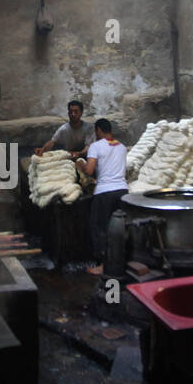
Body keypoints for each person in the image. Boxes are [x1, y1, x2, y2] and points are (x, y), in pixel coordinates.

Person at [76, 118, 128, 276]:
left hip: (104, 193)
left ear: (98, 130)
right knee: (119, 229)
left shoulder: (95, 146)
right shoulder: (122, 146)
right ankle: (122, 262)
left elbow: (90, 170)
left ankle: (104, 265)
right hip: (123, 191)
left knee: (101, 229)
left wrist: (80, 165)